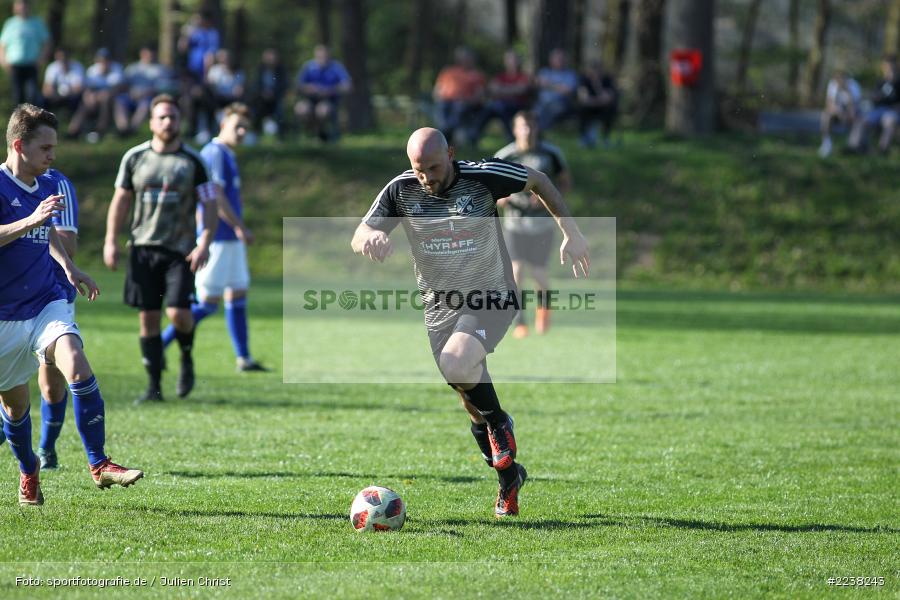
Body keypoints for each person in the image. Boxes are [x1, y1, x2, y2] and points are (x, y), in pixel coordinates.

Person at [351, 127, 589, 518]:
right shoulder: (401, 189)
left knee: (458, 364)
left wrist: (572, 232)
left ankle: (500, 422)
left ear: (451, 154)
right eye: (419, 169)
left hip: (490, 294)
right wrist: (369, 239)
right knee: (469, 398)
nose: (426, 177)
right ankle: (509, 477)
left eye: (433, 167)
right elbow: (362, 231)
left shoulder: (484, 176)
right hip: (439, 309)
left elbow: (539, 180)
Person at [0, 103, 143, 505]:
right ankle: (29, 469)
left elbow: (47, 233)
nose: (52, 156)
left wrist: (70, 267)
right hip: (4, 314)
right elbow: (29, 224)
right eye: (45, 148)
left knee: (75, 362)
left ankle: (99, 463)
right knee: (15, 408)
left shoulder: (47, 184)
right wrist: (30, 220)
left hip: (45, 301)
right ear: (19, 145)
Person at [103, 94, 218, 404]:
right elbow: (121, 200)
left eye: (173, 117)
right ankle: (154, 387)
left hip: (180, 250)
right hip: (142, 248)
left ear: (180, 122)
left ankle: (186, 355)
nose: (168, 122)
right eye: (162, 117)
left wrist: (205, 242)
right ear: (152, 122)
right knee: (148, 319)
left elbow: (210, 203)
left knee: (179, 313)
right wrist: (111, 240)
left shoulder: (194, 161)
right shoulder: (134, 158)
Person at [160, 103, 267, 372]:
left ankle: (244, 358)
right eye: (237, 127)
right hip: (217, 238)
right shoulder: (214, 152)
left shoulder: (227, 154)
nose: (241, 132)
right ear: (223, 125)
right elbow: (215, 197)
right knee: (207, 304)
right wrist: (240, 226)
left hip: (230, 240)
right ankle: (157, 346)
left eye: (245, 128)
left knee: (238, 294)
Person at [495, 111, 571, 338]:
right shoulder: (505, 156)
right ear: (515, 129)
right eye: (522, 126)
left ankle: (544, 309)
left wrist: (548, 196)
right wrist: (503, 198)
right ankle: (520, 321)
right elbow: (492, 191)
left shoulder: (551, 154)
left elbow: (565, 183)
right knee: (516, 271)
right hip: (515, 224)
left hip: (542, 225)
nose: (527, 131)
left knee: (538, 273)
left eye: (531, 126)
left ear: (537, 128)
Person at [293, 44, 351, 142]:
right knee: (300, 109)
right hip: (310, 100)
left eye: (324, 56)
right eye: (319, 56)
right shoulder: (308, 66)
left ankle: (321, 134)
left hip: (329, 100)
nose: (322, 59)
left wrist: (331, 90)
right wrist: (309, 88)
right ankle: (308, 134)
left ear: (329, 56)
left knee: (322, 110)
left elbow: (347, 85)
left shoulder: (336, 67)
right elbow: (298, 85)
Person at [66, 48, 126, 142]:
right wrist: (89, 97)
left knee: (106, 100)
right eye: (101, 60)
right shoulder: (92, 70)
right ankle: (73, 130)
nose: (104, 62)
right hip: (95, 99)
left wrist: (102, 95)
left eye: (106, 60)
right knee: (84, 105)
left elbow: (118, 89)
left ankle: (102, 128)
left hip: (112, 99)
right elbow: (88, 89)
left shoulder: (116, 69)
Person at [473, 49, 532, 144]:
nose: (511, 62)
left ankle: (510, 136)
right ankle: (474, 135)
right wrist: (512, 90)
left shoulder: (523, 76)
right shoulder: (500, 76)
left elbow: (521, 90)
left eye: (514, 59)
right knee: (489, 109)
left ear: (518, 61)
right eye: (509, 59)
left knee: (499, 107)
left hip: (518, 105)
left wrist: (502, 90)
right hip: (500, 106)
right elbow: (492, 89)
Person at [432, 47, 486, 146]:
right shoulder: (448, 72)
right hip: (445, 102)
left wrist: (467, 101)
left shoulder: (476, 75)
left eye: (468, 58)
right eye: (463, 58)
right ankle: (446, 133)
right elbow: (437, 90)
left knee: (458, 107)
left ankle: (445, 134)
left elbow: (480, 96)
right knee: (443, 107)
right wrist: (439, 98)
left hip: (464, 104)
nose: (465, 61)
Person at [0, 0, 49, 106]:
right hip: (15, 65)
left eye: (24, 5)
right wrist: (3, 61)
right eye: (20, 5)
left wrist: (41, 59)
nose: (22, 8)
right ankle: (19, 117)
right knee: (18, 96)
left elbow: (46, 43)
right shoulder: (10, 23)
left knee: (32, 94)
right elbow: (2, 45)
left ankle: (32, 117)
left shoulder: (37, 23)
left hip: (31, 64)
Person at [848, 56, 900, 154]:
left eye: (890, 67)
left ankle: (883, 149)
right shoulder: (880, 82)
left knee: (889, 121)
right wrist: (874, 97)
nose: (888, 69)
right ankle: (854, 146)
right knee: (863, 120)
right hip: (879, 109)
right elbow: (874, 97)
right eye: (886, 67)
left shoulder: (898, 82)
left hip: (893, 110)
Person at [123, 45, 174, 133]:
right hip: (131, 96)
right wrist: (130, 92)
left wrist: (149, 91)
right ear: (141, 54)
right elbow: (124, 84)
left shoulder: (160, 69)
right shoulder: (132, 68)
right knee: (120, 101)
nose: (149, 56)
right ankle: (123, 128)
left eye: (151, 54)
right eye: (146, 54)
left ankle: (133, 128)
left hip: (149, 97)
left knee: (145, 104)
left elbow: (164, 86)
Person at [533, 48, 579, 132]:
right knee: (535, 112)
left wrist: (548, 84)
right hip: (542, 103)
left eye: (561, 59)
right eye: (556, 58)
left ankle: (541, 131)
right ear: (551, 60)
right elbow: (536, 83)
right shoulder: (544, 71)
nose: (559, 61)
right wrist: (558, 87)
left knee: (552, 109)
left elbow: (568, 90)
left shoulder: (570, 74)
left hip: (560, 103)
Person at [577, 60, 619, 149]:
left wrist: (597, 85)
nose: (596, 73)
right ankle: (583, 138)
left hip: (603, 108)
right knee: (582, 109)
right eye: (594, 70)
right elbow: (583, 98)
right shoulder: (584, 80)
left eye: (599, 70)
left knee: (610, 109)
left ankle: (605, 138)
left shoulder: (607, 80)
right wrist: (599, 100)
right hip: (589, 108)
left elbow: (608, 98)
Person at [253, 48, 287, 137]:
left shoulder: (281, 70)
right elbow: (256, 84)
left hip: (276, 98)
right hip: (262, 98)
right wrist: (263, 93)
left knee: (280, 112)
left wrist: (273, 93)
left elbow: (284, 85)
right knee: (256, 110)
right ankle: (256, 134)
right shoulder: (260, 69)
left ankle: (281, 136)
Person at [41, 47, 84, 118]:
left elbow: (78, 88)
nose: (62, 59)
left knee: (78, 99)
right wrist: (55, 92)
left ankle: (71, 118)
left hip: (71, 96)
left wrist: (67, 92)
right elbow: (46, 88)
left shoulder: (77, 66)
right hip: (56, 95)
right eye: (60, 57)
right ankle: (46, 119)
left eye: (64, 56)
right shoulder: (52, 67)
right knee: (44, 99)